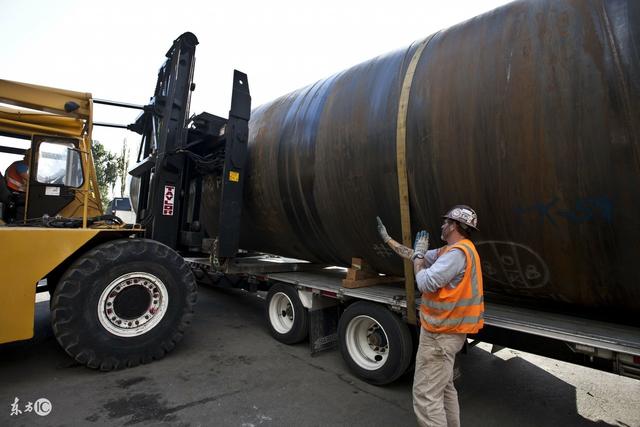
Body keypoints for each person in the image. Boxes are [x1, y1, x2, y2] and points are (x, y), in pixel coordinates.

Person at [376, 205, 484, 427]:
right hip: (445, 332)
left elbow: (424, 282)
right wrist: (388, 240)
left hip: (441, 336)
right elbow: (415, 256)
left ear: (455, 226)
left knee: (426, 396)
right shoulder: (450, 251)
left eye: (446, 223)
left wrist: (418, 256)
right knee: (444, 388)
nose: (442, 226)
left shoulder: (457, 253)